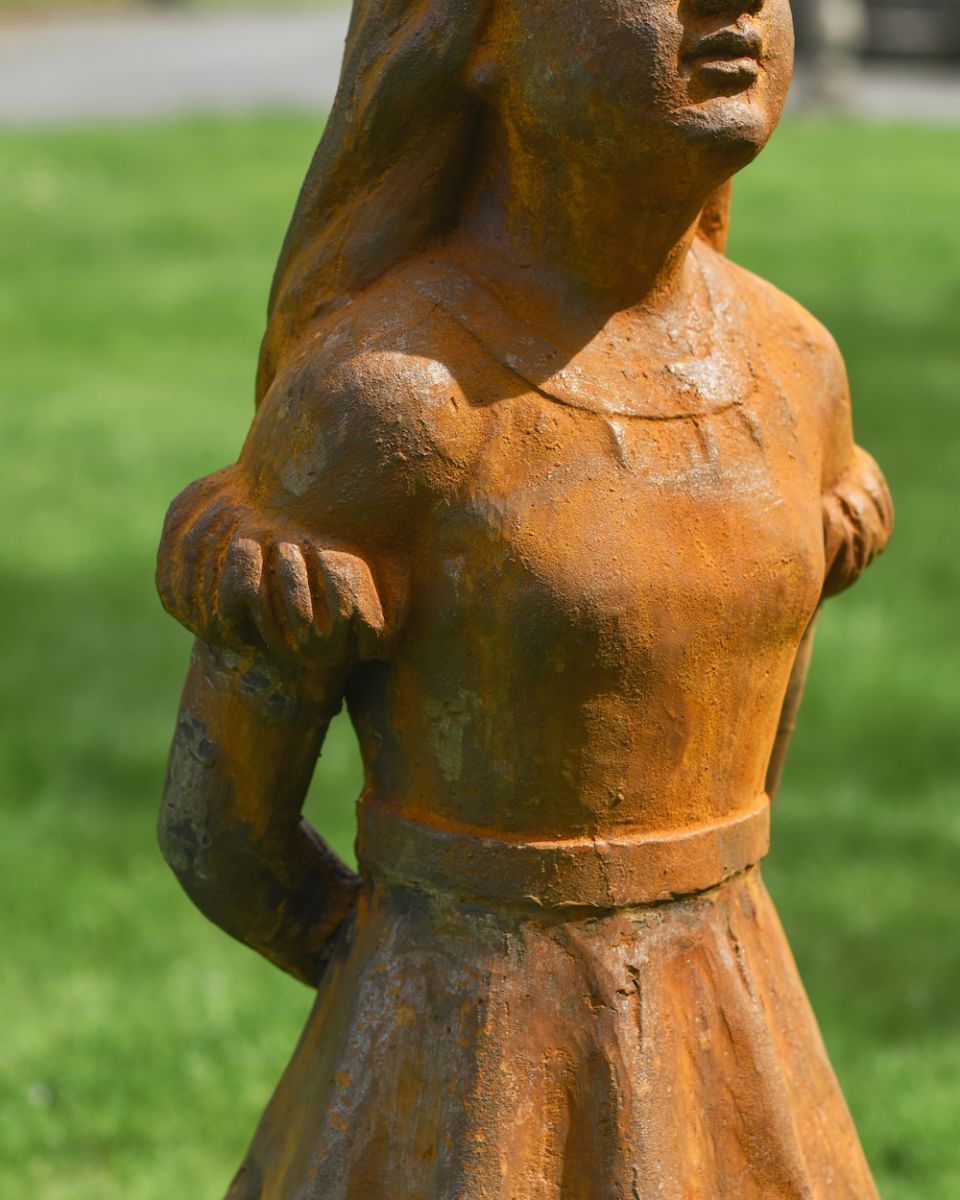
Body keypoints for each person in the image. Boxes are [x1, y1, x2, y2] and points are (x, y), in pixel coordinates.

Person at [156, 0, 893, 1195]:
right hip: (460, 1063)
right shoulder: (392, 403)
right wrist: (403, 974)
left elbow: (748, 760)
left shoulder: (795, 371)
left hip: (735, 1038)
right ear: (477, 36)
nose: (737, 4)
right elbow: (222, 836)